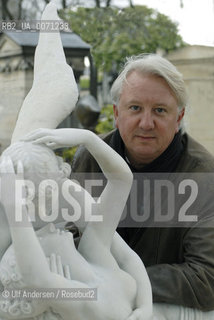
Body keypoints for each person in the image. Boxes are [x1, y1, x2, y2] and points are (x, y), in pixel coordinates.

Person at [71, 54, 214, 312]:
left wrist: (122, 282)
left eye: (160, 110)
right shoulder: (90, 158)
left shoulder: (204, 176)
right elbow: (66, 238)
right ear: (117, 113)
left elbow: (207, 278)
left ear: (178, 118)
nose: (146, 123)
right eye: (135, 108)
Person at [0, 130, 153, 320]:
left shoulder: (93, 254)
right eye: (40, 241)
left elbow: (122, 180)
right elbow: (37, 278)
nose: (52, 227)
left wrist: (88, 139)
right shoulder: (83, 295)